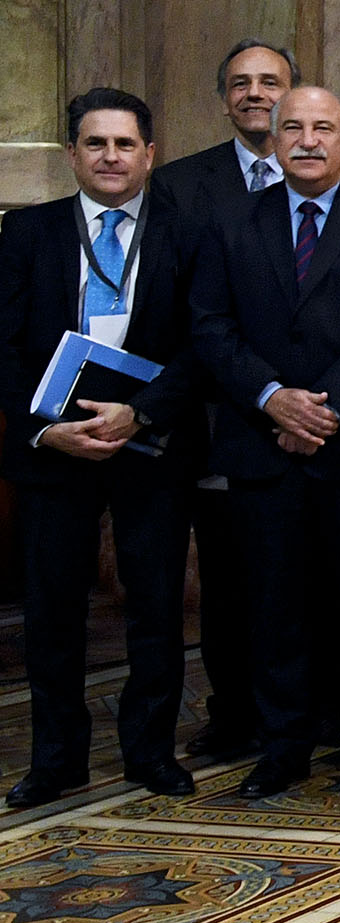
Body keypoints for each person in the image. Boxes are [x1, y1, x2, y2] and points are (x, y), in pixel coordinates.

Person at [188, 86, 340, 798]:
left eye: (324, 127)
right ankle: (283, 746)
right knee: (275, 607)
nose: (308, 140)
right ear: (272, 139)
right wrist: (272, 399)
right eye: (293, 127)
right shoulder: (228, 222)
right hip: (263, 448)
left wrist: (323, 410)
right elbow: (209, 325)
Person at [0, 91, 198, 804]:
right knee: (54, 611)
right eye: (95, 144)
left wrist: (139, 414)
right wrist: (46, 429)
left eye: (124, 144)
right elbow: (6, 347)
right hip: (54, 452)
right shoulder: (28, 234)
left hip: (149, 449)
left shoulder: (185, 231)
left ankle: (150, 751)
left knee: (155, 609)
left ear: (150, 154)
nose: (110, 157)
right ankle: (56, 759)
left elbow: (200, 344)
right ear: (72, 154)